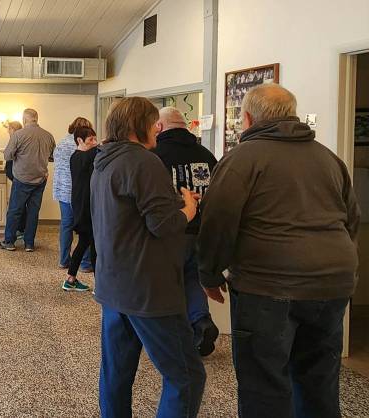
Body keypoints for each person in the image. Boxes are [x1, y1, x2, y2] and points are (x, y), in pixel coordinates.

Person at [198, 84, 359, 418]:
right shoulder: (328, 158)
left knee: (265, 382)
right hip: (332, 284)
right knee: (319, 378)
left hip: (268, 285)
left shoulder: (242, 159)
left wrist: (209, 274)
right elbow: (351, 219)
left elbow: (218, 221)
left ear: (246, 118)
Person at [91, 97, 204, 417]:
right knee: (187, 376)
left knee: (116, 374)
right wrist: (188, 209)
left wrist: (174, 204)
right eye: (153, 122)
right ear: (138, 125)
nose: (158, 128)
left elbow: (131, 216)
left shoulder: (104, 160)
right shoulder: (144, 161)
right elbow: (163, 225)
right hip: (147, 288)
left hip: (114, 284)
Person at [152, 106, 220, 356]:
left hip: (172, 231)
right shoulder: (206, 155)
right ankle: (201, 322)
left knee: (166, 284)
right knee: (192, 277)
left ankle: (173, 338)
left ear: (159, 126)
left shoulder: (155, 156)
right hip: (202, 231)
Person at [0, 109, 55, 252]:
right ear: (36, 118)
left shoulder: (18, 135)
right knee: (33, 212)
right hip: (40, 179)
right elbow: (52, 157)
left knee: (15, 211)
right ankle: (29, 244)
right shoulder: (48, 135)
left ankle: (9, 242)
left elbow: (7, 156)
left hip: (22, 179)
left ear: (24, 119)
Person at [52, 117, 96, 270]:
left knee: (66, 225)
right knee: (85, 227)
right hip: (79, 192)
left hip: (62, 190)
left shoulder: (61, 143)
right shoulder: (83, 146)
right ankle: (85, 262)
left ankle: (64, 260)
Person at [62, 126, 98, 292]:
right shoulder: (78, 157)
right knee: (94, 247)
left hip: (83, 206)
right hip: (84, 209)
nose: (94, 142)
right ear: (79, 140)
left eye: (95, 139)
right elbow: (93, 154)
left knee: (84, 243)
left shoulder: (83, 156)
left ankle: (70, 279)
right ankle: (100, 285)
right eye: (90, 140)